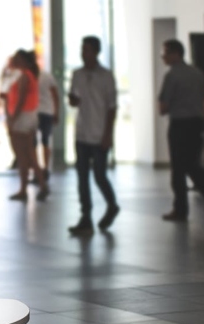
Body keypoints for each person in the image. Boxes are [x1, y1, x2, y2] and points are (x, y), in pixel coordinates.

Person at [158, 39, 204, 222]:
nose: (163, 57)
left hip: (179, 125)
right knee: (192, 163)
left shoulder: (171, 76)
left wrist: (172, 106)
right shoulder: (198, 73)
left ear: (175, 54)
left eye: (165, 53)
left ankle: (181, 209)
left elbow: (163, 107)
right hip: (197, 124)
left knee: (178, 168)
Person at [68, 36, 120, 234]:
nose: (84, 54)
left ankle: (111, 204)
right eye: (82, 50)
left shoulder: (106, 76)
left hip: (99, 134)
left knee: (99, 175)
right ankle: (86, 217)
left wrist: (108, 135)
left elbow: (112, 107)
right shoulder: (77, 74)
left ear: (96, 52)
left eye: (87, 50)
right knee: (82, 177)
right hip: (81, 133)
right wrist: (72, 99)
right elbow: (74, 100)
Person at [7, 50, 49, 201]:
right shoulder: (28, 75)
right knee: (29, 155)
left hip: (23, 118)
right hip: (28, 116)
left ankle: (27, 188)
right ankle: (37, 185)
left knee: (24, 155)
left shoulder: (25, 76)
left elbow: (20, 100)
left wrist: (13, 118)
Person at [36, 67, 61, 181]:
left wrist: (56, 111)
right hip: (39, 112)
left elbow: (55, 95)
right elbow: (55, 95)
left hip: (44, 112)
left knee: (44, 141)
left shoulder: (45, 76)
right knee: (38, 143)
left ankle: (44, 169)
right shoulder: (34, 76)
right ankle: (40, 169)